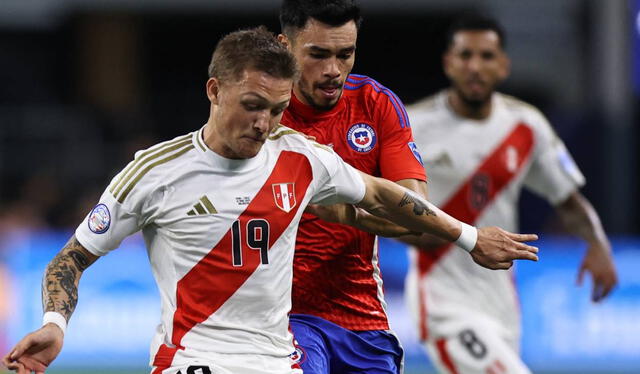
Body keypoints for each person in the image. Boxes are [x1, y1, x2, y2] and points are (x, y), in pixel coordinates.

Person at [1, 26, 538, 374]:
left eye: (278, 110)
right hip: (193, 360)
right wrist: (55, 324)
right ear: (214, 91)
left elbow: (384, 195)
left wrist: (468, 237)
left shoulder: (300, 157)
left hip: (279, 362)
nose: (264, 124)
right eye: (253, 105)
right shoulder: (154, 172)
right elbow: (70, 259)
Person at [404, 15, 618, 374]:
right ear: (448, 63)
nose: (475, 66)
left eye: (487, 56)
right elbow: (376, 196)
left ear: (503, 65)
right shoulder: (413, 124)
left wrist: (598, 243)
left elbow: (566, 198)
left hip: (502, 304)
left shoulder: (525, 125)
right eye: (465, 55)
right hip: (443, 301)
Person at [276, 0, 435, 372]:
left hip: (361, 316)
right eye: (317, 55)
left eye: (345, 54)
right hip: (282, 315)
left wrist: (344, 210)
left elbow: (416, 214)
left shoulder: (376, 105)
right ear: (285, 47)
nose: (334, 70)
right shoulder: (261, 112)